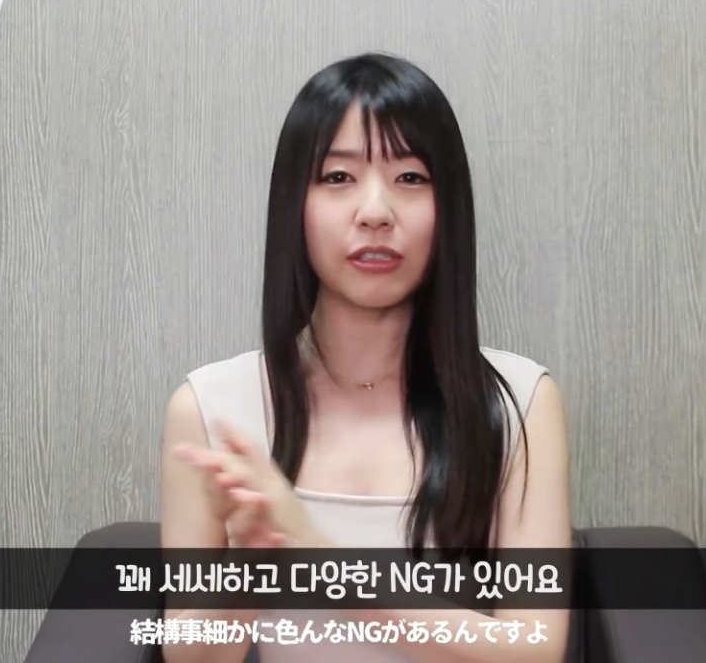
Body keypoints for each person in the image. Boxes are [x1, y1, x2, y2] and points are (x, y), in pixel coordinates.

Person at [159, 52, 572, 663]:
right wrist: (255, 562)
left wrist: (319, 558)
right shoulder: (211, 407)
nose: (375, 212)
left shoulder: (520, 400)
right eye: (338, 177)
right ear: (294, 206)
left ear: (449, 208)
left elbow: (534, 651)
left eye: (410, 178)